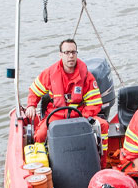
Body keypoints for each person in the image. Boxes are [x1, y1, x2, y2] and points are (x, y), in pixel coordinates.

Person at [25, 39, 109, 168]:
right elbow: (35, 91)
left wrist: (82, 119)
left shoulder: (86, 76)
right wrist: (31, 105)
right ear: (61, 54)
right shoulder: (49, 73)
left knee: (103, 126)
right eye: (67, 52)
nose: (71, 55)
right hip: (56, 115)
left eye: (73, 52)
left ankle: (101, 164)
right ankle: (45, 169)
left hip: (80, 115)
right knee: (40, 135)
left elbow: (95, 103)